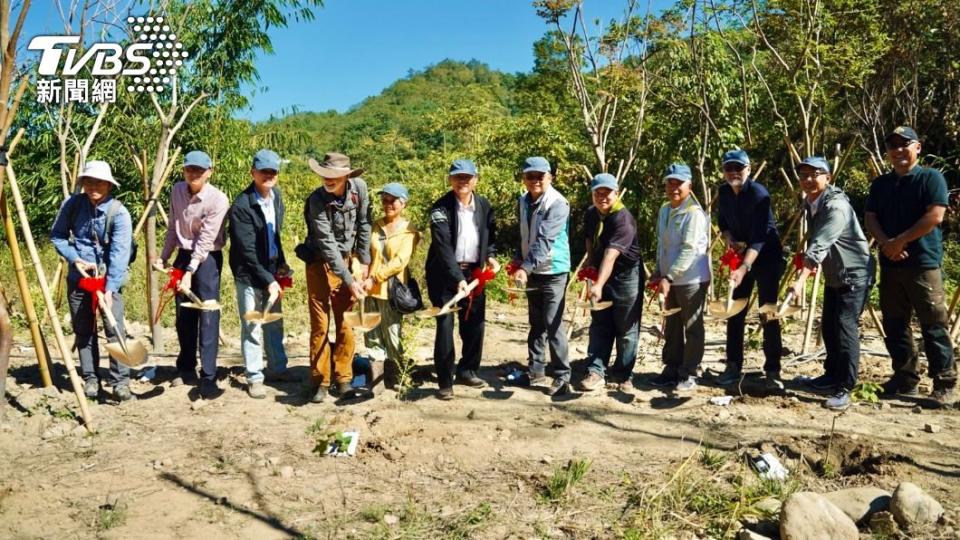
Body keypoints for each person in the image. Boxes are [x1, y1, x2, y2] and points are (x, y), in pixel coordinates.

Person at [864, 126, 956, 408]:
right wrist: (885, 243)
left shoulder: (931, 178)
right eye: (893, 145)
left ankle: (944, 382)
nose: (898, 150)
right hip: (890, 264)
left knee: (933, 324)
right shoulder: (881, 184)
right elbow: (870, 217)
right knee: (894, 324)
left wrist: (900, 241)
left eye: (905, 144)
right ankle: (904, 378)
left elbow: (935, 216)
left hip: (922, 263)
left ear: (918, 147)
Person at [790, 156, 873, 411]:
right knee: (828, 325)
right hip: (836, 274)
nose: (808, 179)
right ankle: (831, 375)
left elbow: (820, 245)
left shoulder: (835, 206)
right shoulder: (811, 202)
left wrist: (800, 281)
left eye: (815, 174)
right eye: (803, 174)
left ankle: (845, 387)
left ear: (827, 178)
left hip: (854, 274)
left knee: (844, 326)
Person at [51, 160, 135, 402]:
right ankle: (90, 378)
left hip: (108, 278)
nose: (93, 187)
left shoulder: (119, 213)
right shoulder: (73, 205)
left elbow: (120, 254)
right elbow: (57, 236)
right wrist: (74, 258)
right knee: (84, 330)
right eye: (88, 182)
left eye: (98, 182)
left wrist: (109, 289)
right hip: (79, 278)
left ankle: (120, 382)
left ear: (108, 185)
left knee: (113, 328)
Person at [154, 150, 228, 399]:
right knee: (183, 314)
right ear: (184, 170)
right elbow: (174, 226)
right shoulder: (177, 191)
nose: (193, 174)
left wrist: (190, 271)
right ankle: (185, 367)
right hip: (184, 254)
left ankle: (208, 376)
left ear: (209, 172)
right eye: (189, 169)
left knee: (207, 313)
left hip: (207, 259)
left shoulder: (218, 199)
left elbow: (206, 240)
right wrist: (164, 256)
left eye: (199, 170)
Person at [425, 159, 500, 400]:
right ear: (450, 180)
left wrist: (490, 257)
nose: (463, 181)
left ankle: (468, 370)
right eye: (458, 177)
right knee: (445, 326)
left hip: (474, 274)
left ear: (475, 179)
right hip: (444, 275)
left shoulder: (484, 205)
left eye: (467, 177)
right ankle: (445, 381)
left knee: (475, 324)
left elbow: (491, 237)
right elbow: (443, 247)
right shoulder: (440, 208)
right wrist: (457, 278)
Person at [300, 152, 371, 403]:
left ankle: (343, 378)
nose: (328, 180)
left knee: (346, 321)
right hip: (320, 262)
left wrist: (362, 263)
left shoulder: (359, 189)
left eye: (334, 177)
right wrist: (350, 280)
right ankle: (321, 379)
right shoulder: (316, 201)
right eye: (324, 175)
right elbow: (327, 245)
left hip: (349, 263)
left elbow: (364, 224)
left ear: (346, 176)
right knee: (320, 323)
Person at [228, 149, 296, 400]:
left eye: (273, 171)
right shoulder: (242, 206)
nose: (268, 175)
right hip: (248, 273)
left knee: (274, 322)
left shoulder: (276, 197)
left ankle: (277, 368)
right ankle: (255, 377)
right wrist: (268, 281)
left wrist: (281, 264)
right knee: (253, 324)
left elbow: (274, 235)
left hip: (270, 269)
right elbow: (246, 251)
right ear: (253, 173)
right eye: (263, 171)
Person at [715, 149, 785, 388]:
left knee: (768, 311)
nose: (733, 172)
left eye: (738, 168)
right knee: (735, 310)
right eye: (728, 168)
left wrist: (744, 266)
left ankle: (773, 370)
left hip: (766, 256)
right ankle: (733, 365)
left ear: (749, 169)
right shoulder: (723, 192)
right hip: (741, 254)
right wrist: (730, 239)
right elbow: (722, 222)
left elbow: (759, 237)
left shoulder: (759, 195)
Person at [511, 157, 572, 396]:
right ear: (523, 178)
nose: (535, 180)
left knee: (553, 322)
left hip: (554, 270)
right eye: (530, 176)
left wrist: (525, 268)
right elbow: (524, 235)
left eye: (540, 176)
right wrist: (519, 260)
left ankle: (562, 376)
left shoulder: (558, 203)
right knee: (535, 323)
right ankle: (535, 371)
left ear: (550, 178)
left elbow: (545, 239)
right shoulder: (524, 201)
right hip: (532, 270)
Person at [648, 163, 711, 392]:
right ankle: (671, 368)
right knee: (672, 324)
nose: (674, 187)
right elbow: (661, 245)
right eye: (670, 183)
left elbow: (689, 249)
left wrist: (670, 276)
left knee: (692, 325)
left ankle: (690, 371)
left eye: (679, 183)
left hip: (691, 279)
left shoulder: (694, 214)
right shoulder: (665, 209)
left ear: (689, 186)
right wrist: (658, 271)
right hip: (669, 278)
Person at [579, 173, 643, 393]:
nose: (602, 197)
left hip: (625, 275)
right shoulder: (591, 214)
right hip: (600, 272)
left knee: (626, 326)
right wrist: (589, 262)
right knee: (600, 322)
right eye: (598, 192)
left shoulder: (623, 219)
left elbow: (611, 255)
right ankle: (596, 370)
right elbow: (589, 238)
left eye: (607, 193)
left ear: (616, 193)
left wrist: (597, 284)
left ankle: (624, 374)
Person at [362, 182, 420, 387]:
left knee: (393, 335)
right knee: (372, 335)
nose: (387, 204)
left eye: (392, 200)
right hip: (370, 291)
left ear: (403, 203)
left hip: (391, 291)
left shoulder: (409, 231)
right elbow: (363, 253)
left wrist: (375, 278)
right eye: (384, 200)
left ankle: (399, 378)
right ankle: (377, 380)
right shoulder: (374, 226)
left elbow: (400, 262)